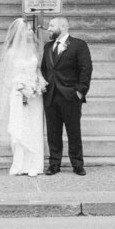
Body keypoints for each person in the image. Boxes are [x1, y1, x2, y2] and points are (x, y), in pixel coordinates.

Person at [41, 16, 92, 176]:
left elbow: (86, 69)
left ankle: (77, 164)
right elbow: (44, 69)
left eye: (51, 26)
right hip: (51, 96)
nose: (48, 29)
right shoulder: (48, 46)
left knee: (73, 131)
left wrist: (80, 91)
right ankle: (54, 164)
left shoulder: (79, 45)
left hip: (70, 96)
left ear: (62, 27)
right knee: (52, 132)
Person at [0, 18, 47, 176]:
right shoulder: (11, 53)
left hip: (35, 96)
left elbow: (37, 70)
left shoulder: (34, 50)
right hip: (19, 95)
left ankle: (35, 164)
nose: (31, 32)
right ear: (20, 32)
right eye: (29, 29)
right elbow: (7, 77)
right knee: (21, 127)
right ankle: (20, 164)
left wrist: (39, 83)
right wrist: (21, 87)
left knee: (34, 127)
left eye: (31, 29)